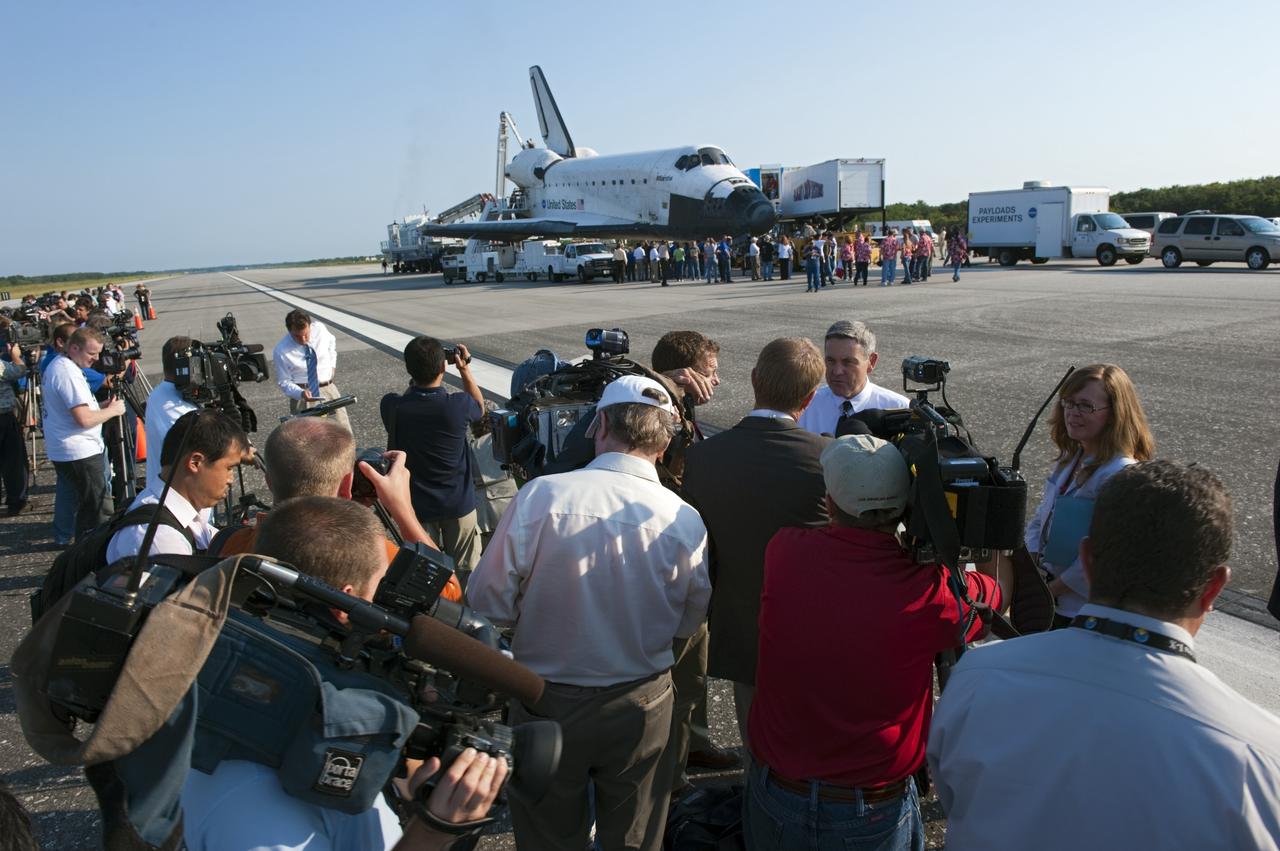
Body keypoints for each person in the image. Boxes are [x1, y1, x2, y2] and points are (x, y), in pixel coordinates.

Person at [930, 460, 1280, 850]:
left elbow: (953, 793)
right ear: (1215, 587)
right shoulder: (1261, 756)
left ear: (1088, 561)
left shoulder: (978, 677)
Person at [182, 496, 509, 851]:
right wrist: (433, 831)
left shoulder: (233, 697)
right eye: (377, 593)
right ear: (345, 605)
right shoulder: (250, 800)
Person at [468, 375, 711, 851]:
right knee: (637, 834)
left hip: (545, 697)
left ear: (600, 423)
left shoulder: (542, 496)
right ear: (664, 443)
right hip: (641, 698)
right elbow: (689, 619)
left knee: (548, 834)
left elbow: (487, 601)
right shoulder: (684, 517)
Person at [745, 434, 1007, 850]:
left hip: (777, 791)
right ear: (906, 506)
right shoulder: (930, 594)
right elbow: (994, 593)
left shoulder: (784, 553)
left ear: (830, 503)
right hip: (871, 810)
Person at [682, 337, 829, 745]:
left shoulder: (703, 459)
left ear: (753, 380)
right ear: (810, 397)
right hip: (814, 630)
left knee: (757, 749)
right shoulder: (829, 458)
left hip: (742, 629)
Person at [649, 331, 739, 783]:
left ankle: (694, 744)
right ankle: (671, 771)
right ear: (684, 373)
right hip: (664, 561)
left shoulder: (683, 410)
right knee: (678, 670)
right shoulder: (652, 407)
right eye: (710, 372)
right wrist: (662, 384)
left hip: (687, 557)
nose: (717, 381)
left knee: (694, 667)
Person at [1024, 363, 1155, 622]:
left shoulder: (1120, 474)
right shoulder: (1071, 459)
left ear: (1115, 414)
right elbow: (1042, 517)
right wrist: (1028, 570)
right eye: (1068, 403)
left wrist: (1050, 591)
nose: (1072, 413)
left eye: (1085, 406)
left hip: (1080, 611)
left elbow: (1103, 554)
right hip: (1048, 597)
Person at [381, 336, 484, 579]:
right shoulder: (457, 406)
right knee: (467, 570)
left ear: (409, 369)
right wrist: (464, 368)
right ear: (442, 367)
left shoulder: (392, 406)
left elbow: (409, 395)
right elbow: (479, 407)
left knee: (425, 573)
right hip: (458, 503)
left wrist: (418, 379)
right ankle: (466, 612)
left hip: (417, 507)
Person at [105, 409, 247, 562]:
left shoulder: (185, 511)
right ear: (195, 462)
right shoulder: (160, 540)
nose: (231, 479)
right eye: (229, 468)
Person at [42, 327, 125, 541]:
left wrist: (103, 406)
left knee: (88, 509)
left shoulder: (62, 365)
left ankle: (82, 553)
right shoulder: (66, 372)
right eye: (91, 354)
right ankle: (93, 558)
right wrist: (112, 411)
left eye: (98, 353)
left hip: (70, 449)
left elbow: (78, 410)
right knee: (99, 509)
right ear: (74, 347)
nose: (96, 359)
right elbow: (84, 419)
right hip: (80, 451)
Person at [797, 320, 910, 435]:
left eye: (848, 362)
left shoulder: (898, 410)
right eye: (830, 361)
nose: (837, 371)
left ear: (871, 361)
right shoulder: (804, 408)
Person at [272, 309, 350, 433]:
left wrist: (332, 366)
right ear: (289, 331)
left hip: (328, 390)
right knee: (309, 442)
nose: (303, 339)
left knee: (342, 434)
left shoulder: (320, 329)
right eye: (297, 336)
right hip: (303, 396)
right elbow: (284, 381)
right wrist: (300, 393)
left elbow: (331, 342)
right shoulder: (281, 350)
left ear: (310, 326)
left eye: (306, 334)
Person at [142, 336, 198, 495]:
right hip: (176, 496)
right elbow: (205, 445)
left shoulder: (162, 394)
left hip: (174, 493)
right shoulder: (172, 406)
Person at [0, 331, 29, 516]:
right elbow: (18, 371)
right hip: (3, 416)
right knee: (13, 461)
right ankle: (16, 500)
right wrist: (16, 357)